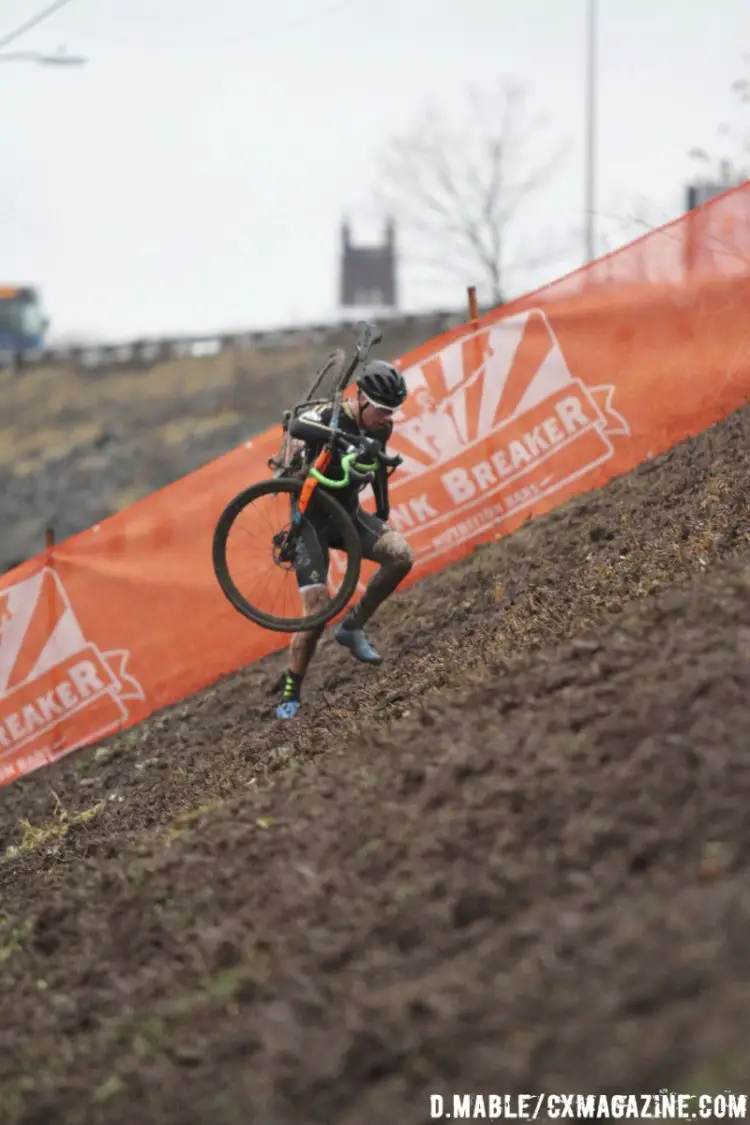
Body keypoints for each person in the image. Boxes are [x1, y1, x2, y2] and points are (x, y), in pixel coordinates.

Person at [276, 360, 414, 720]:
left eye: (392, 411)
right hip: (310, 523)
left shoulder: (382, 427)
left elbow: (379, 465)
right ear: (362, 400)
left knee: (401, 555)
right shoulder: (332, 415)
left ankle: (352, 627)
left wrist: (383, 508)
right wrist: (349, 438)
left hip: (348, 516)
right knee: (317, 613)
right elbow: (296, 425)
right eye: (382, 410)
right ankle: (292, 687)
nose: (387, 417)